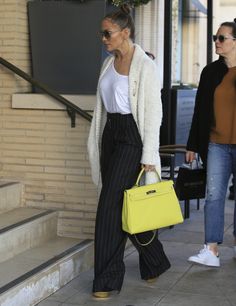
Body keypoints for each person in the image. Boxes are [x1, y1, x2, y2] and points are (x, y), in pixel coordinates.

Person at [87, 4, 170, 299]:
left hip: (133, 139)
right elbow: (103, 109)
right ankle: (155, 261)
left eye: (107, 33)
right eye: (102, 33)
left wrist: (149, 157)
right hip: (111, 136)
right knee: (127, 205)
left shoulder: (145, 66)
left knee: (108, 207)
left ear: (125, 32)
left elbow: (153, 113)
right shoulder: (108, 64)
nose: (103, 38)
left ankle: (106, 280)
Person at [186, 19, 236, 267]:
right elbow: (199, 111)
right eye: (215, 38)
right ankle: (211, 249)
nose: (216, 42)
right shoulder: (211, 72)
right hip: (216, 143)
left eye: (221, 38)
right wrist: (192, 145)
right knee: (214, 195)